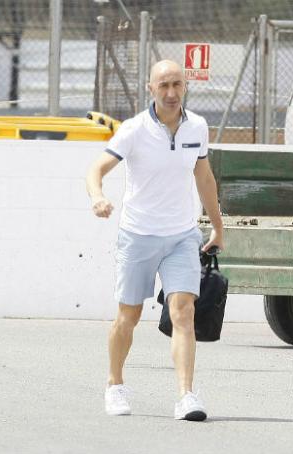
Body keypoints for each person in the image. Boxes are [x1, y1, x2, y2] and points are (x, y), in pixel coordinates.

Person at [86, 60, 224, 421]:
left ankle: (186, 396)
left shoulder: (197, 126)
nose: (171, 92)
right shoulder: (134, 129)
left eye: (177, 84)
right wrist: (97, 196)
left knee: (183, 312)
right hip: (138, 235)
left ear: (185, 86)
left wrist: (218, 226)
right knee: (127, 316)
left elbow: (204, 177)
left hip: (181, 236)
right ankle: (114, 384)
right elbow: (96, 168)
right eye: (163, 85)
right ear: (150, 88)